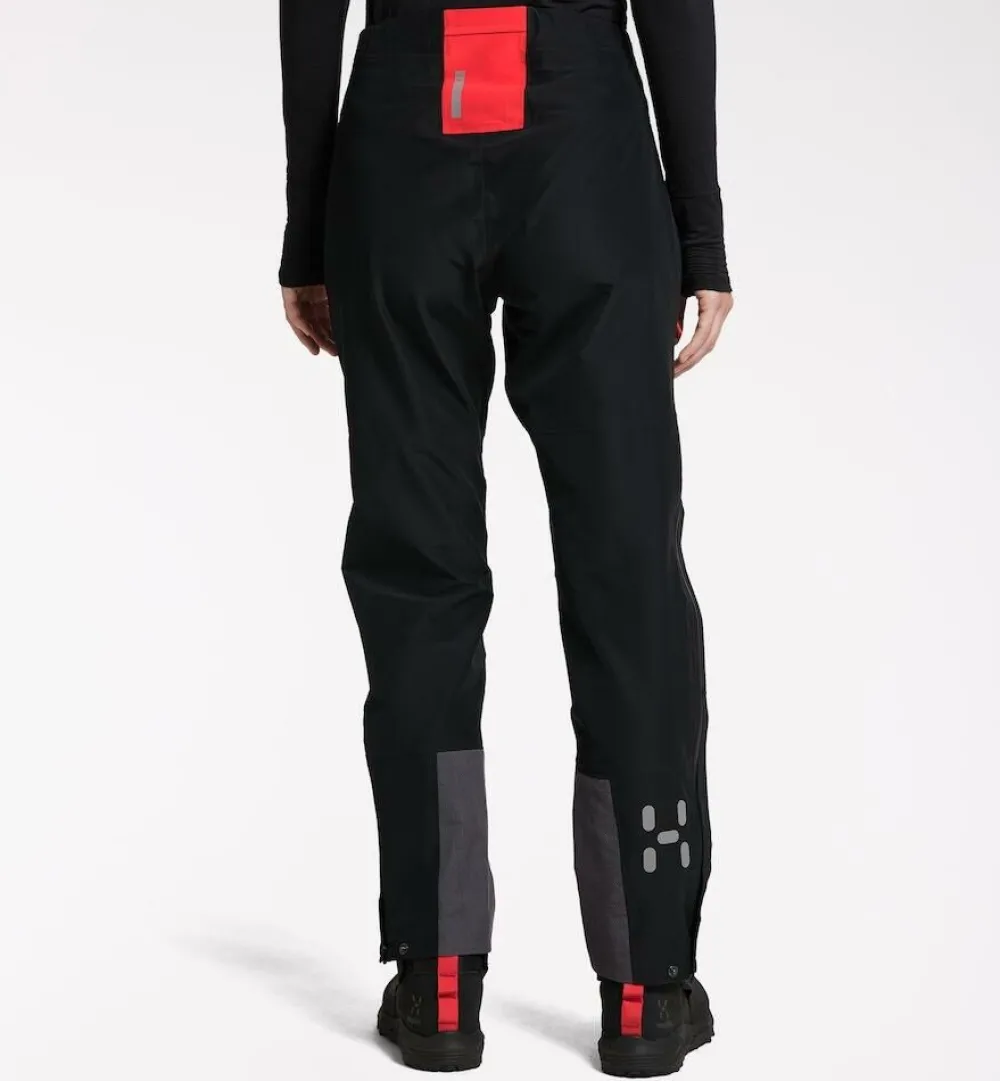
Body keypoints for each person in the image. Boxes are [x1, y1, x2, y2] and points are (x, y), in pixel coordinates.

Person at [278, 0, 733, 1073]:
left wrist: (310, 228)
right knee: (625, 559)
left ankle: (437, 976)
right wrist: (701, 236)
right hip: (584, 148)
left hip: (399, 145)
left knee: (416, 564)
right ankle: (646, 983)